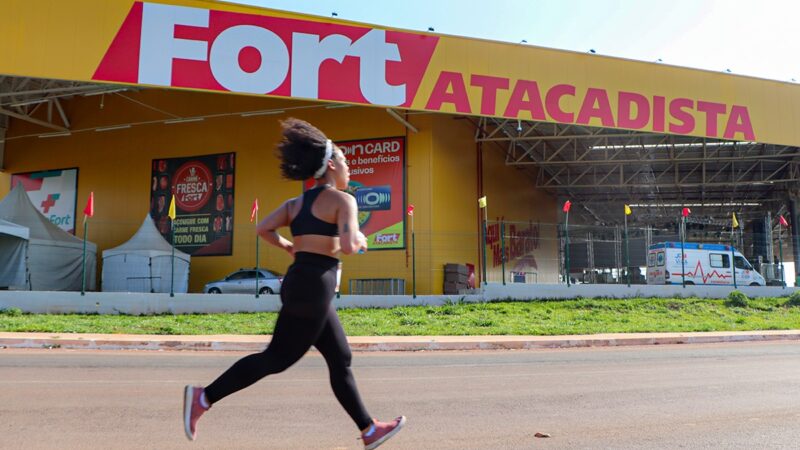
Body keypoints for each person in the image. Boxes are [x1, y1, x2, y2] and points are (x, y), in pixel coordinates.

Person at [183, 118, 405, 449]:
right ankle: (203, 397)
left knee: (340, 357)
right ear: (330, 165)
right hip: (314, 287)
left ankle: (369, 429)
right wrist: (359, 237)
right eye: (344, 160)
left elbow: (263, 229)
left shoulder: (295, 204)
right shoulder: (344, 201)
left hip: (304, 283)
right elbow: (347, 246)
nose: (347, 166)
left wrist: (289, 246)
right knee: (276, 358)